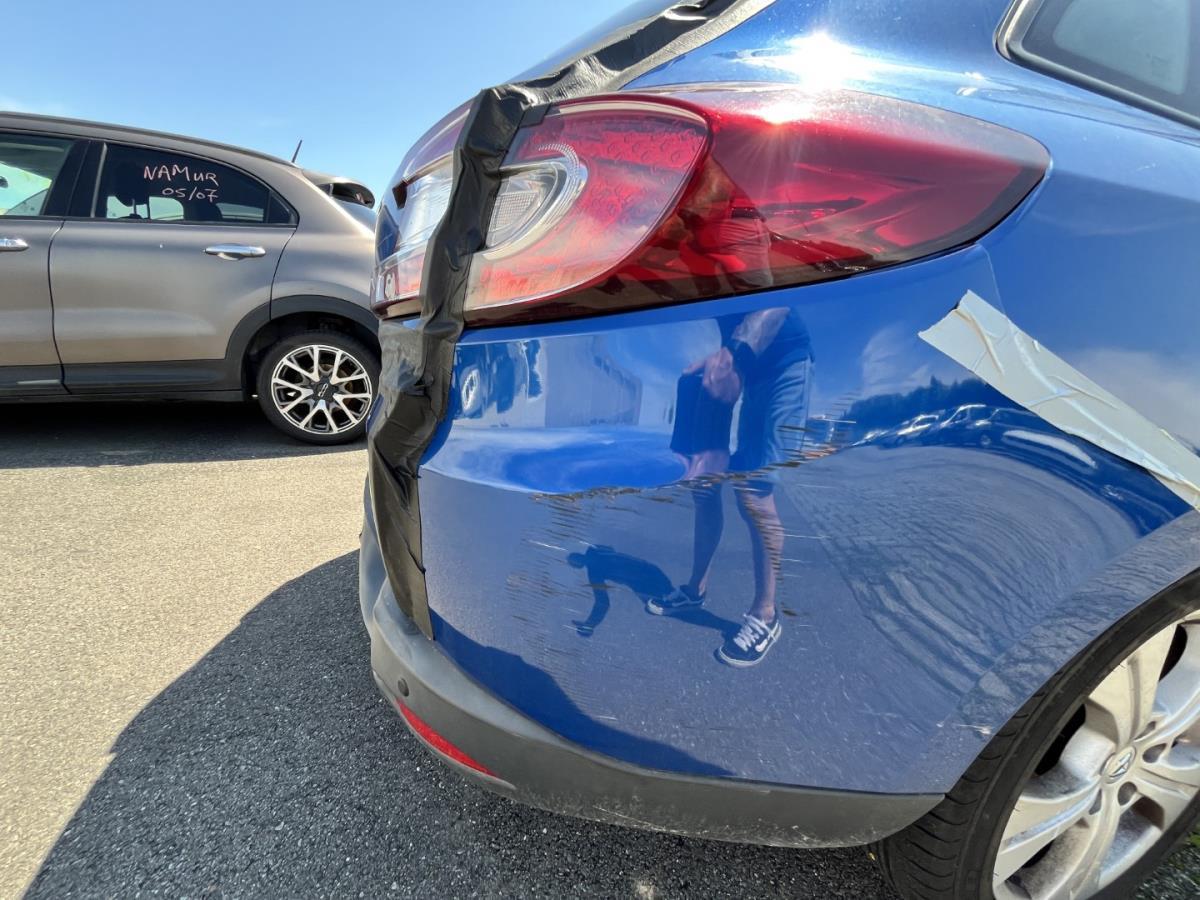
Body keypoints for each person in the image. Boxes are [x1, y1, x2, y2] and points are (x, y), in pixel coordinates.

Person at [648, 306, 812, 667]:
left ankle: (765, 614)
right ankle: (695, 589)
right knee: (704, 484)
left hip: (784, 362)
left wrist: (733, 355)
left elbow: (776, 300)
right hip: (747, 368)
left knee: (754, 491)